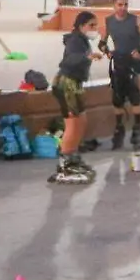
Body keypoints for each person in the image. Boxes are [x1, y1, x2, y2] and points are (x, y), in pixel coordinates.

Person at [49, 12, 103, 184]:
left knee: (81, 120)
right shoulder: (74, 41)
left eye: (96, 25)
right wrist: (87, 57)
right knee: (72, 123)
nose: (94, 29)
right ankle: (64, 163)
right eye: (91, 25)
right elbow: (70, 60)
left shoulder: (82, 40)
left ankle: (72, 156)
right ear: (81, 26)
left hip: (75, 84)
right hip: (67, 84)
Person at [98, 0, 140, 150]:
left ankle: (137, 130)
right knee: (117, 98)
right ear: (114, 5)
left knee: (135, 96)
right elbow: (102, 43)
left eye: (126, 4)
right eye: (120, 5)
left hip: (135, 63)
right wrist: (107, 51)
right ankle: (119, 129)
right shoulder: (108, 21)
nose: (123, 8)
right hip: (119, 62)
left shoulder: (136, 20)